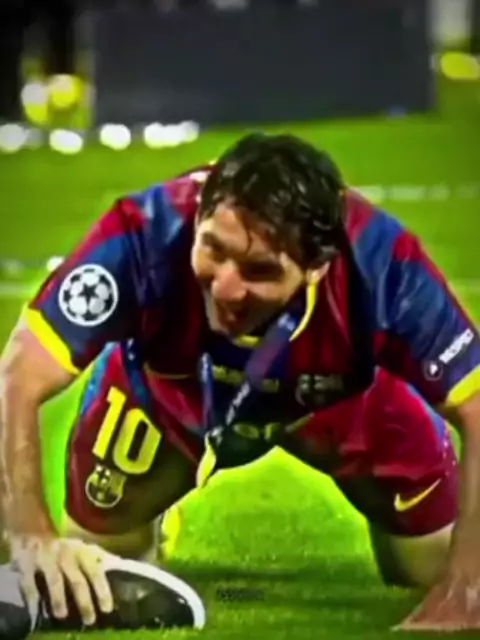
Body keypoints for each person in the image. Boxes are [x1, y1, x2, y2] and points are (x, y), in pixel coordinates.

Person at [1, 133, 480, 632]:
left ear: (318, 266)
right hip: (172, 391)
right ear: (198, 217)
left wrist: (468, 584)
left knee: (430, 564)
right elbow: (17, 374)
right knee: (101, 565)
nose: (227, 287)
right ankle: (153, 507)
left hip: (346, 400)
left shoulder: (382, 265)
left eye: (260, 270)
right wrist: (29, 534)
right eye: (213, 249)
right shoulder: (143, 232)